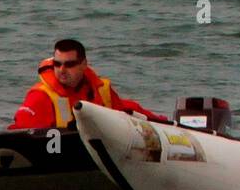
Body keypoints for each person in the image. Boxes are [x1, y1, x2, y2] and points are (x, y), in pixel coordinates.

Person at [9, 38, 165, 130]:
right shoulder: (40, 96)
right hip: (58, 158)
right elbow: (19, 135)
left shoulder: (101, 89)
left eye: (69, 64)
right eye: (57, 64)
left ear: (84, 64)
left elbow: (127, 110)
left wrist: (163, 124)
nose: (62, 70)